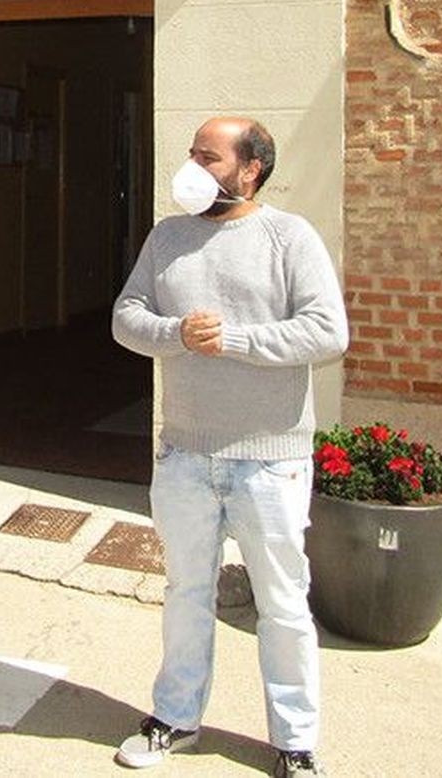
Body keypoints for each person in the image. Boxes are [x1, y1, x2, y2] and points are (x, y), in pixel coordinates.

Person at [111, 116, 349, 777]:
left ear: (250, 169)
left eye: (208, 156)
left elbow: (328, 332)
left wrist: (236, 340)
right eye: (192, 153)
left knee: (282, 604)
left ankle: (295, 744)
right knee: (187, 592)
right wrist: (176, 332)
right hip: (185, 453)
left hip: (270, 460)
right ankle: (175, 718)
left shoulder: (288, 237)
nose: (192, 166)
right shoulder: (168, 237)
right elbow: (126, 318)